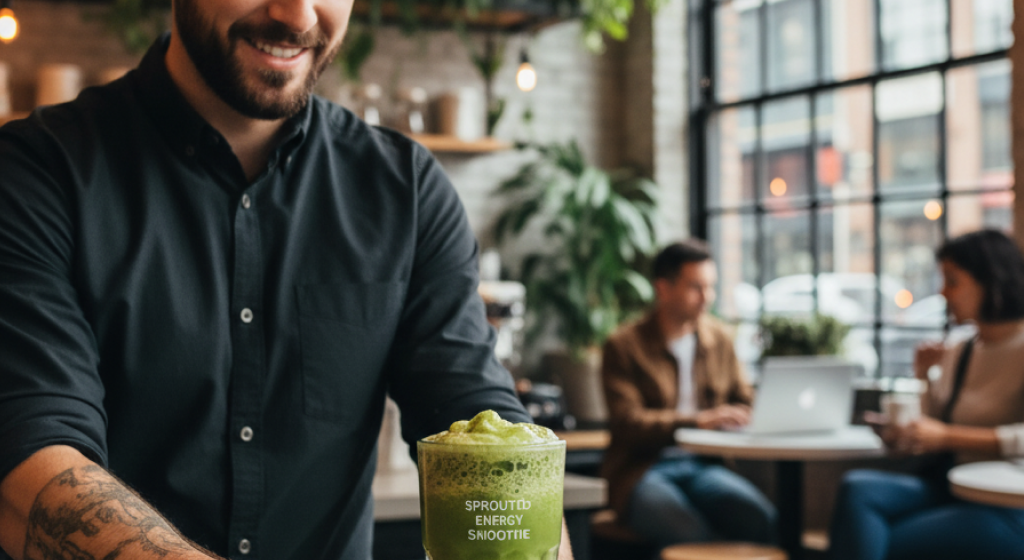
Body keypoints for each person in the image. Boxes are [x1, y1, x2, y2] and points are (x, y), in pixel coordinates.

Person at [0, 2, 572, 560]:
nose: (298, 15)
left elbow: (475, 421)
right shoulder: (35, 172)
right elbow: (29, 458)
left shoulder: (408, 190)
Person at [829, 229, 1024, 560]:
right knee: (857, 488)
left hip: (1006, 503)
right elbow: (931, 424)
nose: (942, 292)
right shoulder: (961, 349)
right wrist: (920, 382)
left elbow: (947, 433)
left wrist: (947, 436)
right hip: (950, 487)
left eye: (952, 281)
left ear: (991, 280)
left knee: (876, 540)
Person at [600, 239, 777, 547]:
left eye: (711, 287)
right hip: (642, 470)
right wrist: (698, 422)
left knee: (761, 518)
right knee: (687, 532)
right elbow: (628, 421)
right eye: (696, 287)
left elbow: (743, 399)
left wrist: (744, 414)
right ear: (663, 288)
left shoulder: (719, 339)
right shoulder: (624, 346)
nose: (707, 298)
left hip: (705, 465)